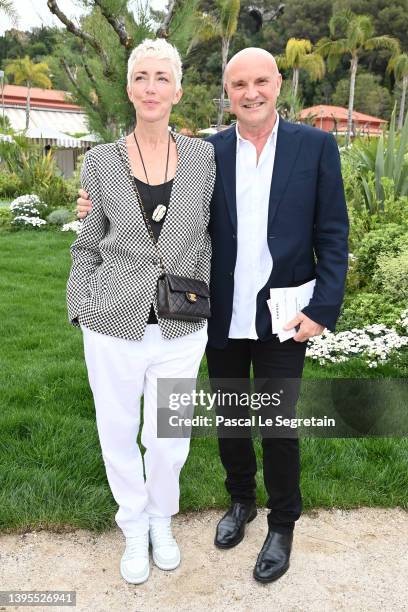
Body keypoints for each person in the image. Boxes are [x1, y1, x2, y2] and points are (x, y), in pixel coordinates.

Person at [77, 47, 349, 584]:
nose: (251, 93)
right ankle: (240, 502)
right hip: (215, 312)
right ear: (226, 93)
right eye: (239, 84)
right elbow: (119, 216)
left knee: (275, 421)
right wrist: (91, 215)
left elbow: (333, 233)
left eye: (260, 82)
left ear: (277, 85)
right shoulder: (212, 152)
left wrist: (324, 307)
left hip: (282, 314)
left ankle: (283, 522)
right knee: (229, 418)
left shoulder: (313, 147)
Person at [67, 38, 215, 586]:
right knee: (118, 429)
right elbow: (88, 240)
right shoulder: (99, 161)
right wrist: (80, 306)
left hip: (182, 326)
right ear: (129, 88)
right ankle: (131, 525)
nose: (151, 87)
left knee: (170, 437)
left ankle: (160, 520)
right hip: (113, 324)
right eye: (142, 77)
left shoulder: (204, 158)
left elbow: (211, 235)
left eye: (162, 77)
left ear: (178, 90)